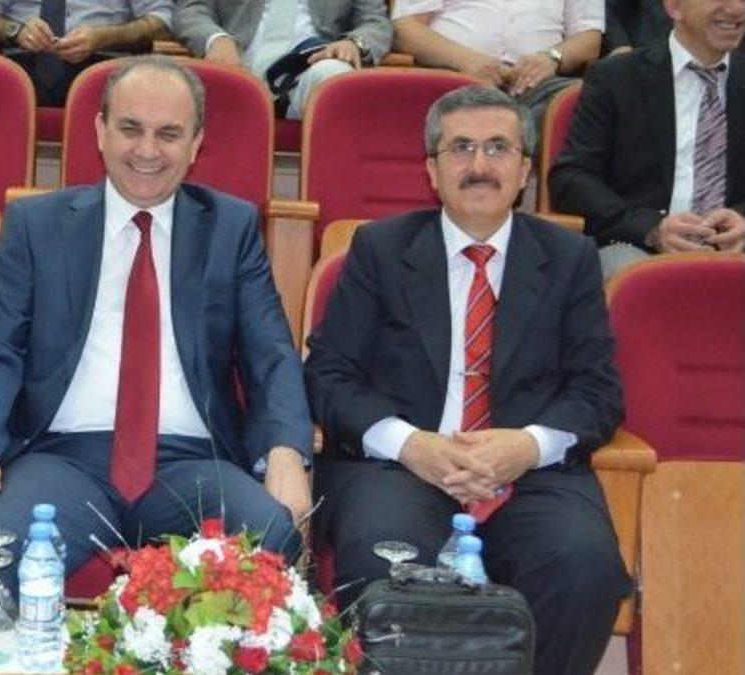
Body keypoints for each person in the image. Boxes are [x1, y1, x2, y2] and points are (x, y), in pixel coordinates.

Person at [0, 55, 313, 609]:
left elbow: (271, 352)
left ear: (196, 143)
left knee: (269, 535)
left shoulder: (230, 228)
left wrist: (285, 450)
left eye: (169, 134)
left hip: (192, 460)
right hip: (60, 457)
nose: (147, 150)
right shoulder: (37, 225)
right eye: (130, 128)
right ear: (100, 130)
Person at [307, 86, 629, 675]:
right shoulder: (380, 249)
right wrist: (412, 444)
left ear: (525, 169)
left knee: (586, 569)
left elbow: (597, 390)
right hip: (402, 468)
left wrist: (526, 445)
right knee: (383, 563)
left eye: (498, 147)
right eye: (461, 148)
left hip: (529, 475)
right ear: (432, 170)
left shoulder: (570, 258)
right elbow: (328, 375)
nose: (480, 165)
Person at [550, 0, 744, 278]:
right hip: (637, 244)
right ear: (674, 6)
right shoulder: (616, 77)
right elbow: (571, 178)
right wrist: (651, 228)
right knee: (632, 278)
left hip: (735, 248)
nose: (736, 9)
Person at [390, 0, 603, 122]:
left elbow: (589, 39)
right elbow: (406, 29)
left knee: (592, 101)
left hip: (538, 85)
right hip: (455, 75)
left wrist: (552, 58)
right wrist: (465, 60)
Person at [174, 0, 392, 119]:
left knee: (335, 78)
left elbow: (375, 22)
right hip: (237, 64)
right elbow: (192, 9)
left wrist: (354, 44)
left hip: (309, 68)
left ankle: (331, 184)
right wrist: (215, 39)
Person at [0, 0, 173, 106]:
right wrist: (16, 31)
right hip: (21, 63)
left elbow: (161, 22)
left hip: (102, 65)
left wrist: (105, 37)